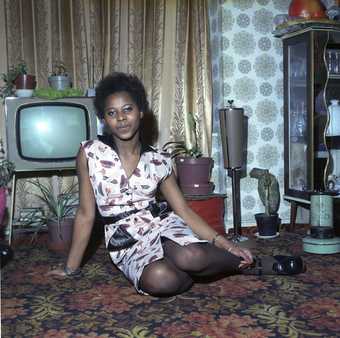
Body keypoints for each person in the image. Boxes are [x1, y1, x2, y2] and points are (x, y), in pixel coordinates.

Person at [49, 72, 305, 297]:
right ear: (104, 119)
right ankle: (209, 272)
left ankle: (252, 263)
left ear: (141, 111)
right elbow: (85, 214)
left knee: (190, 256)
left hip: (162, 225)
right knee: (161, 279)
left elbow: (183, 210)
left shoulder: (160, 161)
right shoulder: (90, 153)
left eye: (127, 109)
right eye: (112, 113)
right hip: (125, 240)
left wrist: (225, 244)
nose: (122, 118)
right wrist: (70, 268)